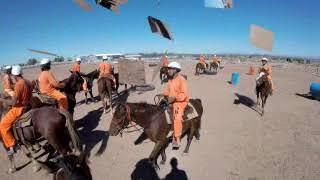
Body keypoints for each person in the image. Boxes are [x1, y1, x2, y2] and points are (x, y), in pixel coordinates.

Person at [0, 65, 32, 155]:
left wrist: (2, 100)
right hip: (29, 105)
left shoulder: (18, 85)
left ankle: (13, 145)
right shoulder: (28, 81)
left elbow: (13, 103)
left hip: (19, 109)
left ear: (14, 75)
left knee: (2, 125)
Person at [162, 62, 189, 148]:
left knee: (177, 118)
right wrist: (163, 94)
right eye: (168, 69)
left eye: (171, 69)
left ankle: (177, 138)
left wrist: (174, 98)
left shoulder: (182, 80)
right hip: (171, 99)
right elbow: (167, 91)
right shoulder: (170, 80)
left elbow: (184, 94)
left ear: (176, 70)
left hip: (180, 102)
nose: (168, 70)